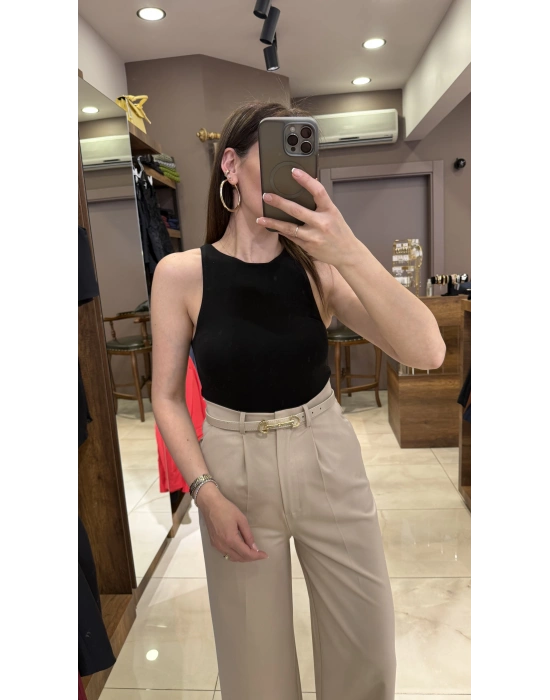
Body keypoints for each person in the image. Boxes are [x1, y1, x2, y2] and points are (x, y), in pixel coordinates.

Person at [151, 102, 445, 700]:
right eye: (275, 156)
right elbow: (167, 398)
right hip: (232, 470)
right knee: (254, 672)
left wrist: (346, 248)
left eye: (302, 160)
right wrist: (204, 494)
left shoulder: (319, 272)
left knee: (366, 654)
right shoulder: (181, 274)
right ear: (230, 166)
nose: (294, 174)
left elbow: (429, 350)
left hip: (325, 455)